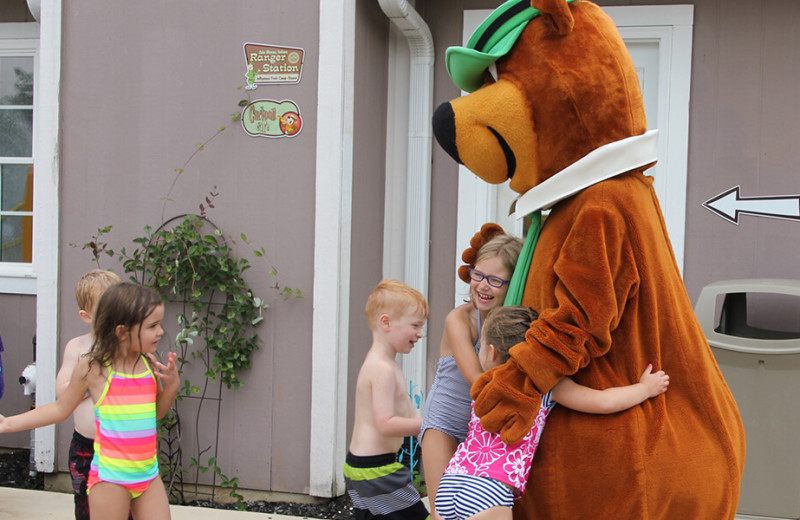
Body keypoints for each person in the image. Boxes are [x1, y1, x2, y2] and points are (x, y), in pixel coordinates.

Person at [435, 306, 670, 520]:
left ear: (491, 352)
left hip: (451, 482)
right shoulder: (543, 385)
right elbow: (604, 402)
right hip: (490, 491)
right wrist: (645, 389)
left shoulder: (482, 385)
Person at [0, 282, 179, 520]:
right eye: (153, 326)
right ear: (122, 331)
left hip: (148, 476)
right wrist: (7, 424)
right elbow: (59, 408)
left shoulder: (146, 363)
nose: (160, 332)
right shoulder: (94, 368)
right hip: (110, 480)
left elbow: (154, 413)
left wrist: (172, 387)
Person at [420, 230, 522, 519]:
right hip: (444, 422)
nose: (483, 286)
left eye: (495, 280)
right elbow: (477, 380)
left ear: (512, 282)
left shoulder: (511, 323)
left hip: (481, 432)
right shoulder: (459, 319)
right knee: (442, 512)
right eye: (478, 275)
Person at [343, 279, 430, 520]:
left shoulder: (384, 364)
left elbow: (409, 415)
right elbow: (386, 423)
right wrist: (429, 425)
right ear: (386, 323)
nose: (420, 333)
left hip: (363, 466)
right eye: (415, 325)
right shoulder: (382, 369)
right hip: (377, 470)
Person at [56, 269, 122, 520]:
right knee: (87, 508)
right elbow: (63, 392)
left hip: (121, 447)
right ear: (86, 316)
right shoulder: (77, 347)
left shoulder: (128, 348)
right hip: (86, 448)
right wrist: (88, 382)